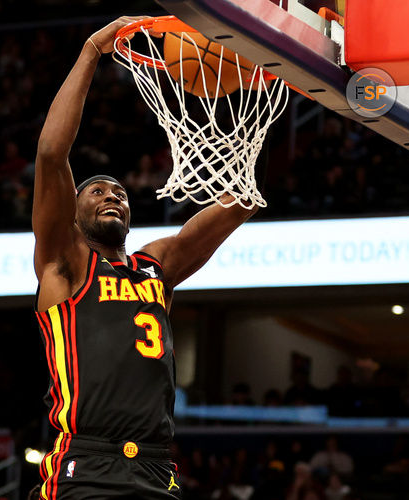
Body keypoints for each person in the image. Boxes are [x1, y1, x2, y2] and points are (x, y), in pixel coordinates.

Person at [32, 16, 258, 499]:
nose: (112, 195)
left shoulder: (154, 267)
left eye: (119, 192)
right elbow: (52, 153)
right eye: (96, 190)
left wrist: (279, 80)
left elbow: (239, 201)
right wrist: (93, 50)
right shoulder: (64, 263)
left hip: (157, 468)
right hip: (86, 462)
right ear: (72, 209)